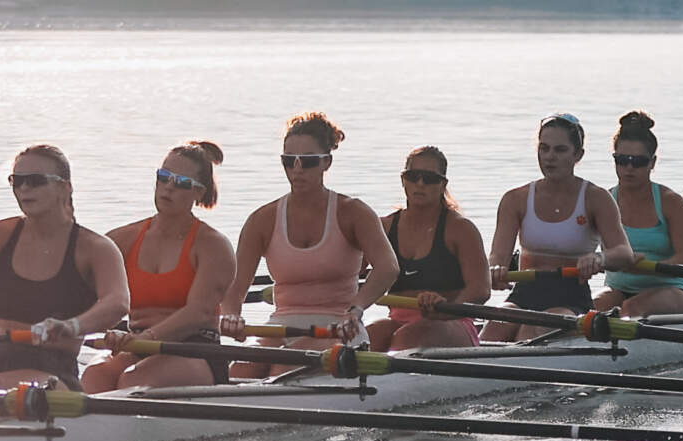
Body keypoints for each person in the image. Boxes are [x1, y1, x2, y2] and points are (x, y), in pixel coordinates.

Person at [0, 143, 130, 391]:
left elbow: (117, 303)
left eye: (36, 180)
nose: (25, 188)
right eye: (17, 181)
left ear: (65, 187)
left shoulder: (95, 248)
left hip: (52, 366)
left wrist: (72, 326)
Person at [227, 112, 400, 372]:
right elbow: (235, 284)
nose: (297, 170)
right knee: (240, 370)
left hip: (340, 327)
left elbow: (388, 268)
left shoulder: (353, 212)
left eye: (307, 162)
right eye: (289, 161)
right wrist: (231, 315)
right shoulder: (262, 220)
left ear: (326, 163)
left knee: (282, 368)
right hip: (280, 326)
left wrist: (356, 309)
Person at [82, 141, 240, 392]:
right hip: (136, 344)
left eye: (181, 183)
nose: (169, 187)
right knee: (94, 376)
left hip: (194, 349)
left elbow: (198, 313)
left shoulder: (213, 245)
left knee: (134, 380)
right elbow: (88, 297)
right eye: (164, 177)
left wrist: (144, 339)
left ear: (199, 192)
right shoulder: (121, 240)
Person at [484, 113, 636, 342]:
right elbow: (498, 254)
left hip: (571, 298)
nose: (549, 157)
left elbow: (624, 253)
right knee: (495, 327)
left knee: (533, 330)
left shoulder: (596, 198)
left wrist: (599, 258)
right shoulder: (515, 199)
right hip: (524, 292)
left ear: (578, 155)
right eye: (544, 149)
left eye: (560, 150)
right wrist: (495, 269)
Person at [366, 145, 490, 350]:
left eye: (430, 178)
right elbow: (349, 272)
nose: (420, 184)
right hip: (397, 319)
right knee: (367, 338)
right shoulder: (384, 227)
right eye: (413, 176)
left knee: (408, 337)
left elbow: (480, 290)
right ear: (403, 180)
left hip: (451, 322)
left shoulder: (460, 229)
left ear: (443, 184)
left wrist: (445, 308)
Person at [598, 111, 683, 319]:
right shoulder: (604, 201)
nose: (629, 167)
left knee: (631, 310)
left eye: (638, 162)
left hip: (671, 290)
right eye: (622, 159)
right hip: (617, 289)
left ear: (652, 163)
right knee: (584, 310)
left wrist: (650, 270)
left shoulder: (671, 202)